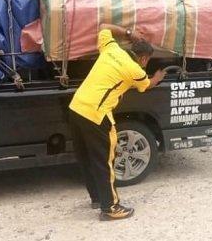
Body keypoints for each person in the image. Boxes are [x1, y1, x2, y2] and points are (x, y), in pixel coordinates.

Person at [68, 24, 165, 221]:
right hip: (96, 115)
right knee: (105, 161)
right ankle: (110, 207)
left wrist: (130, 33)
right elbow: (147, 85)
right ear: (144, 58)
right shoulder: (135, 70)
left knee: (88, 157)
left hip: (77, 107)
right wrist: (157, 77)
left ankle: (97, 197)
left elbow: (104, 27)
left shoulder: (111, 48)